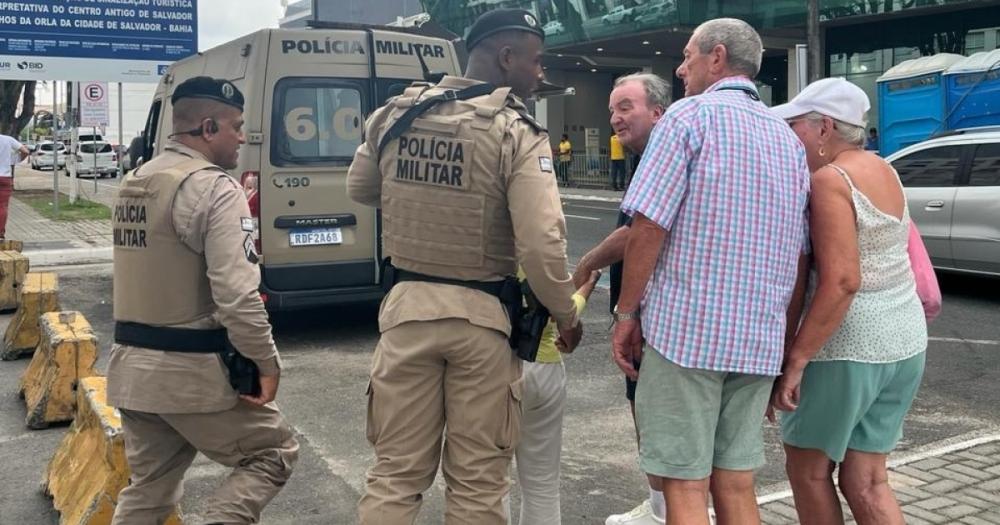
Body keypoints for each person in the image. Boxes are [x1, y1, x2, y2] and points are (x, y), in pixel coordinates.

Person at [347, 9, 583, 524]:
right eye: (535, 61)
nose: (539, 73)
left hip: (406, 312)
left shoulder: (395, 114)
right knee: (477, 482)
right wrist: (566, 313)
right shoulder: (516, 131)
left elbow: (360, 189)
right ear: (506, 58)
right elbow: (543, 245)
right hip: (483, 322)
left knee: (395, 475)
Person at [612, 19, 810, 525]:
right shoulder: (787, 140)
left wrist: (627, 312)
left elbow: (649, 224)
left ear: (716, 58)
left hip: (688, 334)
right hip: (758, 339)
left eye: (687, 57)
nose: (680, 69)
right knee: (736, 480)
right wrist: (785, 339)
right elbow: (798, 253)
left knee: (684, 482)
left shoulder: (687, 118)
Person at [108, 76, 298, 525]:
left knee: (149, 490)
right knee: (273, 451)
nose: (242, 137)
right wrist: (267, 365)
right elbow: (237, 294)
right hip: (190, 375)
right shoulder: (215, 188)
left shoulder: (137, 181)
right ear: (208, 128)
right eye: (236, 126)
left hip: (131, 370)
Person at [771, 78, 927, 525]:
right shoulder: (884, 169)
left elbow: (841, 281)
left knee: (808, 471)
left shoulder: (830, 179)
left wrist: (796, 359)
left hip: (847, 346)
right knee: (868, 478)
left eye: (796, 125)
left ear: (824, 128)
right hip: (905, 339)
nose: (792, 135)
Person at [572, 72, 671, 525]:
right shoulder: (646, 158)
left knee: (651, 412)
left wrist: (587, 263)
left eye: (626, 107)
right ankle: (660, 506)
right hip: (648, 311)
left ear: (658, 111)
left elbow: (636, 233)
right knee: (643, 405)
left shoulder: (662, 157)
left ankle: (665, 511)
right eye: (612, 109)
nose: (615, 117)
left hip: (654, 313)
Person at [509, 267, 599, 524]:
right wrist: (588, 285)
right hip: (545, 366)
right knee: (542, 484)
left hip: (497, 366)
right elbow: (564, 310)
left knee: (492, 481)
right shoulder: (539, 246)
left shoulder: (493, 248)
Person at [0, 133, 29, 239]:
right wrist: (16, 160)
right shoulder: (8, 139)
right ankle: (0, 234)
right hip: (4, 177)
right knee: (2, 206)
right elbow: (25, 151)